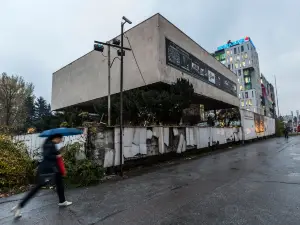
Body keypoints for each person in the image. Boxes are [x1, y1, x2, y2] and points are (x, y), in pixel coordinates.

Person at [11, 134, 72, 218]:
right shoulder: (49, 144)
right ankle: (19, 206)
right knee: (36, 189)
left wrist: (58, 153)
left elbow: (52, 154)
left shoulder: (51, 144)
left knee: (60, 183)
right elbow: (47, 155)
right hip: (46, 171)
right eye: (61, 138)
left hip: (52, 169)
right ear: (56, 138)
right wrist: (57, 155)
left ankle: (62, 201)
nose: (61, 140)